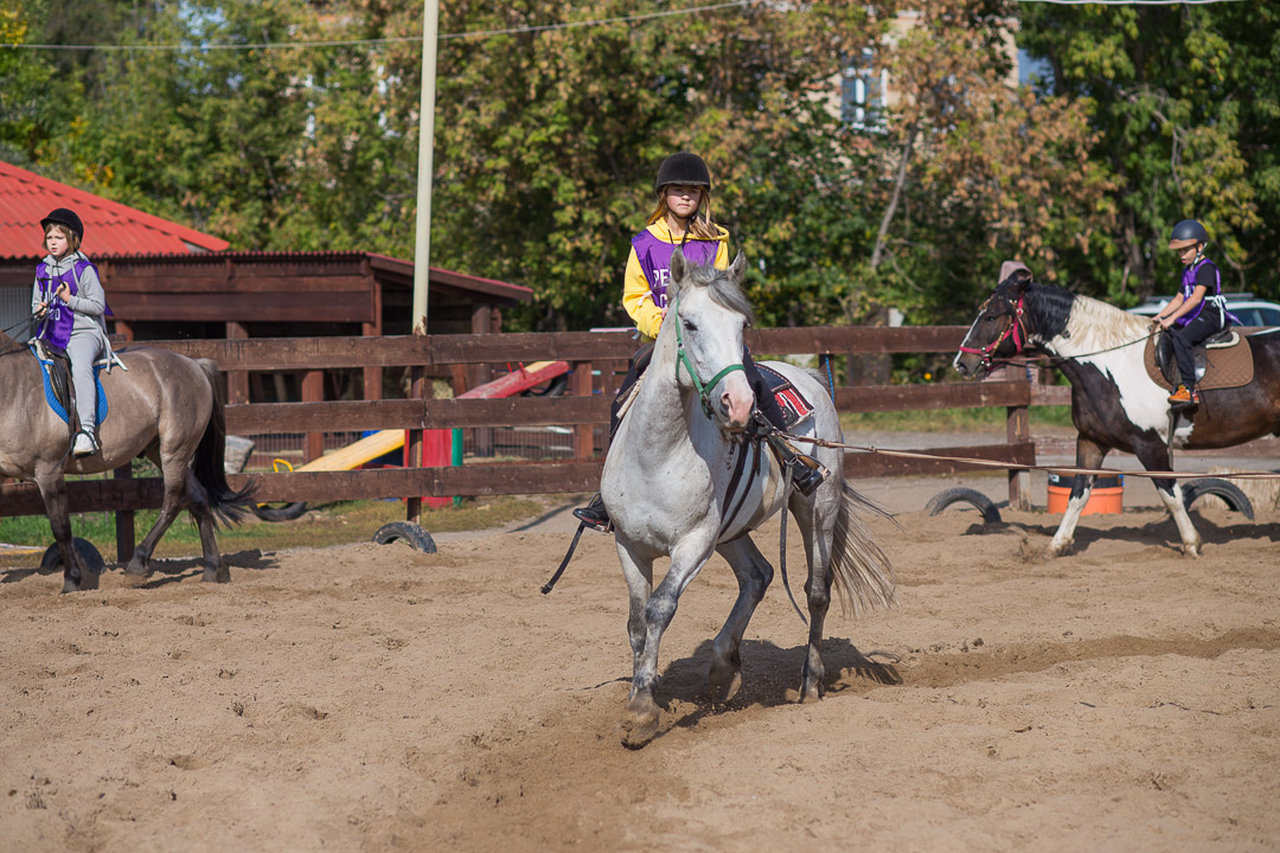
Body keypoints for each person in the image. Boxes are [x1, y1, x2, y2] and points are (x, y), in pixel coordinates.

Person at [573, 152, 826, 532]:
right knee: (621, 401)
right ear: (665, 195)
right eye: (678, 190)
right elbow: (634, 296)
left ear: (702, 196)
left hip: (709, 340)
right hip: (663, 344)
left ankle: (789, 455)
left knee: (753, 378)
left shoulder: (715, 241)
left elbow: (723, 290)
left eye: (693, 190)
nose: (685, 196)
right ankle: (609, 497)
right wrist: (656, 321)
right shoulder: (644, 244)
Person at [32, 207, 113, 457]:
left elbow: (99, 306)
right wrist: (40, 310)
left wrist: (70, 299)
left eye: (58, 238)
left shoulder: (84, 269)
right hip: (50, 333)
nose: (52, 242)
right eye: (49, 238)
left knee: (79, 367)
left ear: (72, 239)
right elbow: (35, 306)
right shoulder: (41, 270)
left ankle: (87, 431)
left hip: (83, 333)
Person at [1152, 218, 1229, 407]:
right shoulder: (1188, 270)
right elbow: (1179, 299)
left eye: (1185, 250)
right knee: (1169, 334)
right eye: (1179, 251)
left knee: (1182, 338)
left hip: (1211, 315)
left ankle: (1188, 388)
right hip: (1197, 313)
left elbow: (1195, 298)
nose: (1181, 254)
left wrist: (1172, 318)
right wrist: (1160, 316)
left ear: (1200, 247)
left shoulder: (1206, 268)